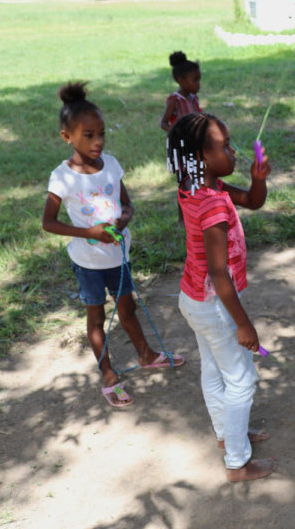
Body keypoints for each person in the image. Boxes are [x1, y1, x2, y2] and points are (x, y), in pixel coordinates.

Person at [42, 82, 185, 409]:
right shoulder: (62, 177)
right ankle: (107, 373)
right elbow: (48, 223)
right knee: (96, 317)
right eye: (89, 135)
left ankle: (147, 355)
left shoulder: (112, 164)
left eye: (102, 133)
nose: (99, 141)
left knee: (128, 309)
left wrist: (124, 219)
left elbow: (127, 203)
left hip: (117, 257)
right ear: (68, 137)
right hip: (88, 261)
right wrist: (89, 231)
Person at [167, 112, 276, 481]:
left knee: (214, 371)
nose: (234, 151)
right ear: (200, 156)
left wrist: (258, 180)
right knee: (242, 379)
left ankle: (227, 435)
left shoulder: (197, 184)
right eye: (225, 146)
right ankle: (237, 462)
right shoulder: (211, 202)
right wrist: (244, 324)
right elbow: (218, 272)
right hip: (214, 305)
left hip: (194, 299)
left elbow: (252, 200)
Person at [160, 51, 202, 132]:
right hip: (180, 143)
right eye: (195, 80)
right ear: (181, 81)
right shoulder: (175, 100)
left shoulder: (194, 98)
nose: (198, 84)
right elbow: (163, 123)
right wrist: (177, 133)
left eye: (199, 80)